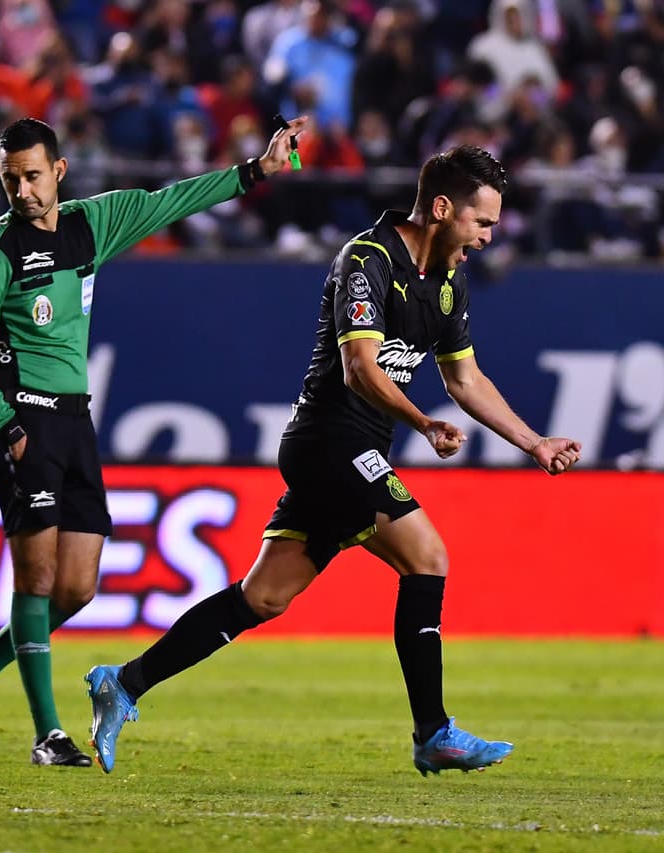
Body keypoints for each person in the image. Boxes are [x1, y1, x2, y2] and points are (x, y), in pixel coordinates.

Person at [84, 145, 581, 776]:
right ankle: (433, 732)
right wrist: (422, 423)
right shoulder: (367, 260)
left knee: (261, 598)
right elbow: (359, 367)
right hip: (328, 443)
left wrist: (533, 442)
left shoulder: (449, 287)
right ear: (441, 208)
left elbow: (467, 379)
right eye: (481, 223)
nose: (488, 237)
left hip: (356, 450)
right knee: (427, 557)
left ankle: (123, 682)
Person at [0, 113, 310, 767]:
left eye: (31, 175)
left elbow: (171, 201)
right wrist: (6, 428)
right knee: (39, 575)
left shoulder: (92, 225)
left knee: (78, 588)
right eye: (9, 179)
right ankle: (48, 734)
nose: (21, 190)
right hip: (20, 423)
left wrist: (256, 170)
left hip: (74, 421)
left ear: (59, 171)